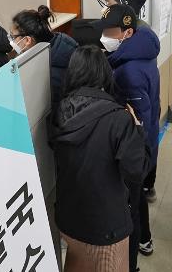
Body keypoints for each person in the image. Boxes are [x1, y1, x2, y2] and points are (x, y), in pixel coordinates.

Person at [50, 45, 150, 272]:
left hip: (68, 218)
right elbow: (137, 171)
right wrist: (137, 130)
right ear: (104, 74)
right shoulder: (117, 118)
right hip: (105, 226)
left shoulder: (59, 109)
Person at [92, 4, 161, 260]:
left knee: (132, 199)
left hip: (135, 150)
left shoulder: (128, 72)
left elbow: (136, 124)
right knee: (137, 195)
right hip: (147, 140)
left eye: (110, 32)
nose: (105, 37)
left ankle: (138, 243)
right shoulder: (141, 53)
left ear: (128, 33)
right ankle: (144, 238)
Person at [11, 5, 78, 104]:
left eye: (13, 36)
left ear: (27, 40)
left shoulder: (49, 76)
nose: (12, 40)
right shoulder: (63, 40)